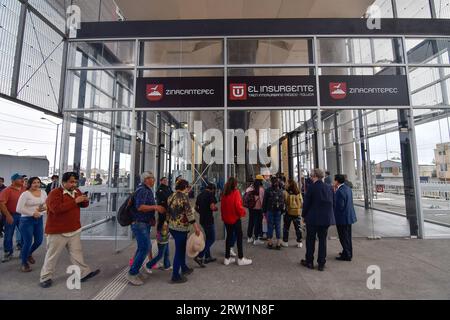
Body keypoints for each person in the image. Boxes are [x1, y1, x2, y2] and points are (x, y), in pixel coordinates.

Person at [40, 172, 100, 288]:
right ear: (64, 182)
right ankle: (45, 277)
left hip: (74, 229)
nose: (74, 184)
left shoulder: (76, 191)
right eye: (72, 182)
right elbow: (56, 209)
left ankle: (83, 273)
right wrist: (75, 201)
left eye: (76, 182)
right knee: (52, 255)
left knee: (77, 254)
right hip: (57, 231)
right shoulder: (55, 193)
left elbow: (83, 205)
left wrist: (84, 200)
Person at [126, 171, 165, 286]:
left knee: (141, 248)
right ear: (146, 179)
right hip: (140, 223)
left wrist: (151, 217)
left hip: (144, 223)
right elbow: (140, 207)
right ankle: (132, 273)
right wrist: (156, 207)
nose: (154, 180)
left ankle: (135, 270)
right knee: (145, 248)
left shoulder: (145, 190)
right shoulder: (143, 190)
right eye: (152, 178)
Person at [167, 179, 202, 284]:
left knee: (180, 249)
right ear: (185, 187)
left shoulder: (171, 196)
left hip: (172, 226)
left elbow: (169, 211)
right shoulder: (184, 197)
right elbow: (189, 214)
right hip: (181, 228)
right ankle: (175, 276)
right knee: (179, 251)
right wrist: (196, 227)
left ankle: (184, 268)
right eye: (188, 187)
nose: (189, 189)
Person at [301, 169, 335, 272]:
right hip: (325, 219)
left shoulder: (311, 188)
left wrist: (303, 215)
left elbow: (306, 203)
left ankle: (309, 262)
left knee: (310, 240)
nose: (310, 177)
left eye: (311, 176)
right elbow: (332, 202)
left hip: (313, 219)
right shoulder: (329, 188)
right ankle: (321, 263)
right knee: (322, 241)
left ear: (315, 176)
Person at [16, 177, 46, 272]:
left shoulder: (43, 193)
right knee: (27, 242)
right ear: (30, 184)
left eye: (38, 182)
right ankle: (24, 263)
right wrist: (32, 213)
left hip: (39, 219)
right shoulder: (25, 194)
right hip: (26, 220)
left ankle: (28, 253)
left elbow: (44, 204)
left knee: (39, 241)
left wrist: (42, 210)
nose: (36, 184)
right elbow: (18, 209)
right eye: (34, 183)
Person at [221, 177, 252, 266]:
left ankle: (227, 258)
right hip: (235, 219)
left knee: (229, 237)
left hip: (226, 219)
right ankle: (240, 258)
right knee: (239, 238)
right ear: (235, 184)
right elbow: (238, 206)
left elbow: (222, 207)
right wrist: (243, 212)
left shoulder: (224, 193)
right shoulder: (236, 193)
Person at [0, 173, 26, 262]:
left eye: (22, 179)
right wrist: (8, 215)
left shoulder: (25, 189)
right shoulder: (7, 190)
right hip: (11, 215)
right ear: (13, 181)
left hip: (23, 215)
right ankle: (8, 252)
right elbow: (2, 203)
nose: (22, 180)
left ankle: (24, 251)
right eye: (19, 179)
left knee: (25, 234)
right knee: (8, 234)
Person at [334, 174, 357, 261]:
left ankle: (347, 255)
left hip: (342, 218)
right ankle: (348, 252)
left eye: (334, 180)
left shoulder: (339, 191)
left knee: (343, 237)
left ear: (337, 181)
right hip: (349, 216)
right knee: (347, 236)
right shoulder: (347, 188)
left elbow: (340, 206)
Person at [194, 183, 218, 267]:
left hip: (202, 220)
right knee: (212, 239)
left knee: (208, 238)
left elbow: (195, 207)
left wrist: (201, 212)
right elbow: (212, 207)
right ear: (212, 189)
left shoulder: (200, 195)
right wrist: (216, 208)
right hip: (209, 220)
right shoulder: (210, 195)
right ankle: (200, 256)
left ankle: (208, 257)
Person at [262, 176, 285, 250]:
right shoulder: (280, 191)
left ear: (271, 182)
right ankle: (278, 243)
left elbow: (264, 202)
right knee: (278, 226)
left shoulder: (268, 190)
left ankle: (270, 242)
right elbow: (283, 202)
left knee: (270, 226)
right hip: (278, 211)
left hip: (270, 210)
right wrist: (281, 211)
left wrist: (264, 211)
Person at [282, 179, 304, 248]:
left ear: (289, 184)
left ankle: (285, 242)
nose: (286, 184)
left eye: (287, 183)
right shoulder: (298, 192)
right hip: (297, 212)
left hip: (288, 212)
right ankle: (299, 242)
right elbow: (301, 202)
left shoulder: (285, 192)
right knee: (298, 228)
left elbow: (284, 201)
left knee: (286, 227)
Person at [244, 175, 265, 245]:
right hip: (258, 209)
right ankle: (256, 238)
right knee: (257, 223)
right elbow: (262, 201)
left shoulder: (249, 188)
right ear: (261, 181)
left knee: (251, 221)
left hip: (251, 208)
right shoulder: (261, 189)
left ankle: (249, 237)